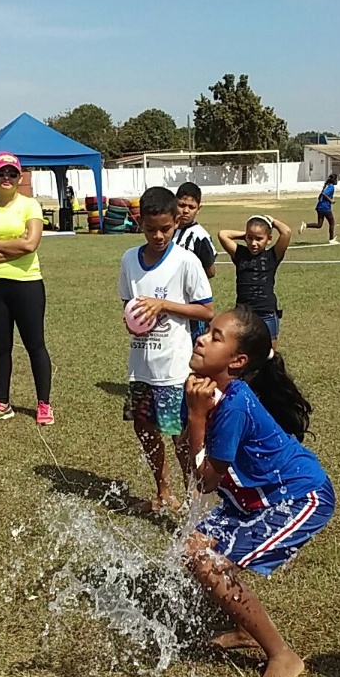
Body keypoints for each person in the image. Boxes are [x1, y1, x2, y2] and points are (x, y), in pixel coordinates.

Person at [182, 305, 335, 677]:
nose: (202, 338)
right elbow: (191, 458)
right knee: (193, 551)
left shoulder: (231, 405)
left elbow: (204, 481)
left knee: (207, 564)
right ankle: (246, 627)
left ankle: (283, 655)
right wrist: (194, 418)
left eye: (215, 337)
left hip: (298, 496)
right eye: (207, 331)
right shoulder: (202, 388)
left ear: (237, 361)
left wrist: (198, 419)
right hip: (250, 498)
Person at [119, 186, 214, 513]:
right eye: (150, 229)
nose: (158, 235)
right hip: (140, 366)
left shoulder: (186, 262)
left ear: (177, 221)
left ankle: (194, 501)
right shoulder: (130, 259)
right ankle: (163, 492)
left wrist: (164, 305)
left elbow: (207, 310)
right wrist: (131, 320)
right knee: (144, 430)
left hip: (173, 369)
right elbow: (128, 304)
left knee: (179, 438)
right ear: (140, 223)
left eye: (166, 228)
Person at [0, 152, 54, 426]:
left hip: (28, 285)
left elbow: (31, 245)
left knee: (35, 346)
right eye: (1, 173)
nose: (7, 178)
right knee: (0, 347)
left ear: (20, 177)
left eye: (12, 173)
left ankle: (43, 404)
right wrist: (12, 246)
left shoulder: (31, 206)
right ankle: (2, 403)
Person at [217, 215, 292, 349]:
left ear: (269, 239)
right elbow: (223, 234)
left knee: (269, 354)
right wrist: (246, 234)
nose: (253, 243)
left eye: (259, 239)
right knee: (243, 351)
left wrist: (272, 221)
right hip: (243, 313)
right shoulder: (240, 254)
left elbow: (286, 232)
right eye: (250, 238)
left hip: (266, 313)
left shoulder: (272, 256)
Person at [173, 182, 218, 342]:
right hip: (170, 298)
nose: (185, 211)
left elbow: (211, 271)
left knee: (192, 345)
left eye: (191, 207)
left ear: (198, 209)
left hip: (192, 303)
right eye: (182, 205)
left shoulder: (199, 236)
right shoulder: (168, 229)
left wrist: (189, 278)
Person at [298, 173, 339, 244]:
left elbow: (320, 195)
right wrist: (330, 200)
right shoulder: (331, 187)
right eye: (337, 179)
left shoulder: (327, 186)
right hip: (325, 208)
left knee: (319, 225)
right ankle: (331, 240)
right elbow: (324, 194)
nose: (337, 181)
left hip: (320, 207)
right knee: (332, 222)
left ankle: (305, 225)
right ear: (334, 180)